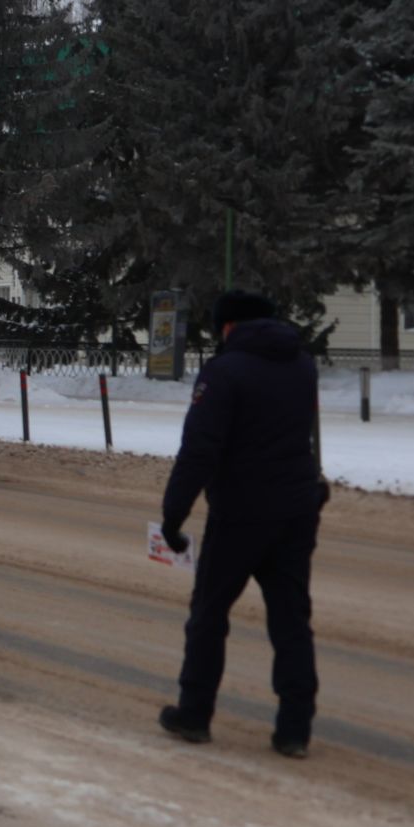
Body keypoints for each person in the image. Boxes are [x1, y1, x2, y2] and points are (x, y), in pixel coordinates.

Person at [157, 291, 327, 759]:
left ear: (227, 326)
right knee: (291, 619)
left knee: (209, 614)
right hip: (296, 509)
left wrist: (174, 516)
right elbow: (305, 436)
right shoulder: (303, 365)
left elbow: (199, 451)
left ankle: (194, 714)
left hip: (241, 513)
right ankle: (295, 730)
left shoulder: (224, 372)